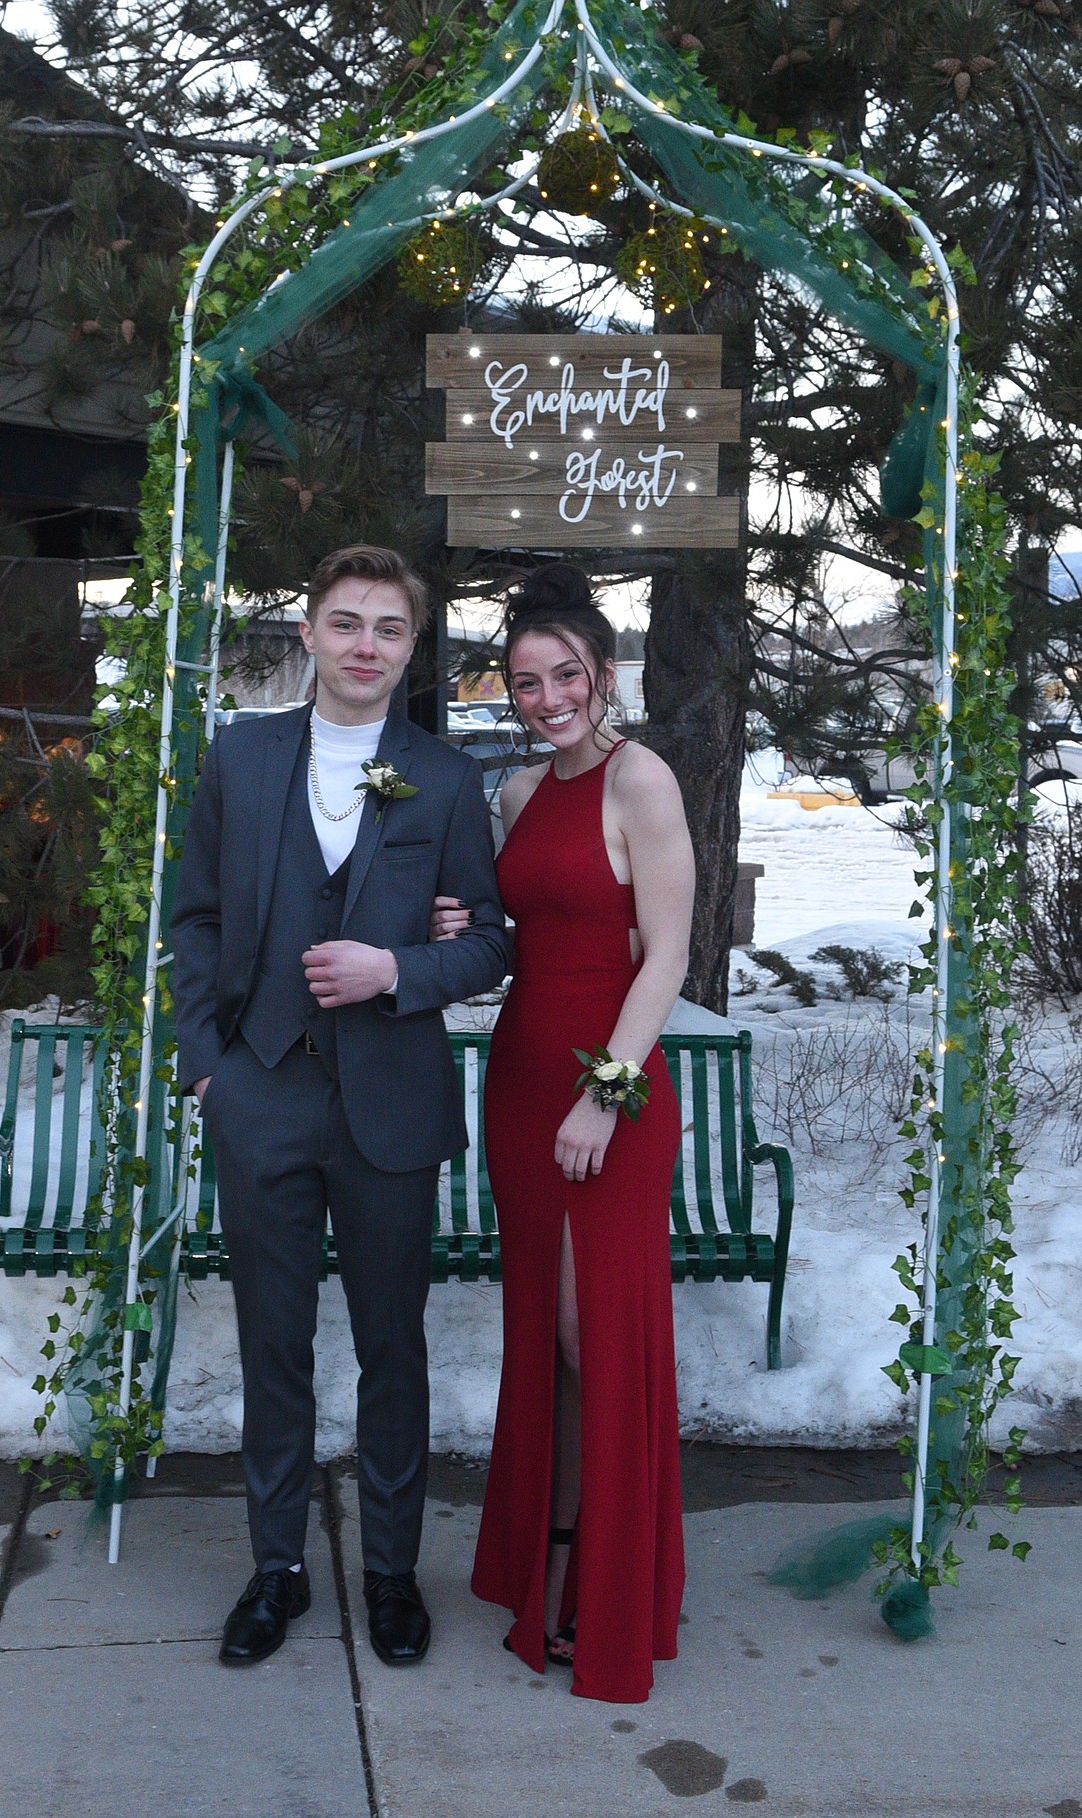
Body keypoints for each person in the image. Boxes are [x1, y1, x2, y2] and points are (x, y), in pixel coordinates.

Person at [171, 544, 508, 1670]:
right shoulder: (244, 758)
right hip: (259, 1091)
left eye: (389, 629)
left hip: (390, 1106)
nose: (366, 645)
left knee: (391, 1348)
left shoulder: (447, 781)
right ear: (309, 632)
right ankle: (277, 1571)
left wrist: (400, 972)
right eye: (347, 622)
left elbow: (491, 945)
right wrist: (209, 1067)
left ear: (413, 649)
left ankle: (391, 1573)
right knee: (271, 1344)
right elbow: (198, 919)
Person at [432, 562, 694, 1703]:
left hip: (610, 1093)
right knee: (545, 1334)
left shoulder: (645, 782)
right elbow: (518, 944)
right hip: (522, 1082)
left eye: (565, 675)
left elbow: (667, 957)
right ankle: (551, 1566)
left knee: (601, 1338)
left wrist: (608, 1092)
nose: (546, 698)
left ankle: (614, 1586)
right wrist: (459, 923)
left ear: (603, 672)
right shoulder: (516, 794)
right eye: (526, 682)